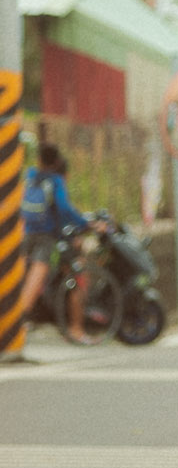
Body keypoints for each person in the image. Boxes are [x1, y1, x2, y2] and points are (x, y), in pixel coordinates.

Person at [21, 142, 98, 343]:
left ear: (39, 160)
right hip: (46, 237)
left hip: (25, 233)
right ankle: (22, 320)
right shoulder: (55, 181)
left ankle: (21, 318)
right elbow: (65, 210)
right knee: (43, 276)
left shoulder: (30, 176)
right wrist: (85, 224)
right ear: (57, 162)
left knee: (24, 276)